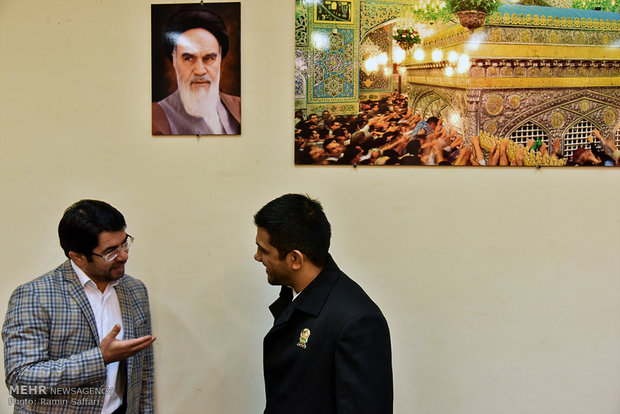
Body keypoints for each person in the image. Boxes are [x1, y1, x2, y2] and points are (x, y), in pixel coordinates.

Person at [3, 200, 155, 414]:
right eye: (110, 251)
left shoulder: (135, 290)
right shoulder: (34, 295)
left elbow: (144, 370)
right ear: (77, 256)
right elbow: (21, 380)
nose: (123, 256)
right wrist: (100, 358)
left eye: (124, 243)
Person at [253, 194, 393, 414]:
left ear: (295, 259)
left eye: (264, 250)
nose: (257, 256)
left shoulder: (357, 322)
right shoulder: (295, 295)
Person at [152, 7, 241, 135]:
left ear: (220, 60)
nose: (200, 71)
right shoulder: (155, 118)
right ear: (175, 61)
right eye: (188, 58)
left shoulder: (239, 108)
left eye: (209, 58)